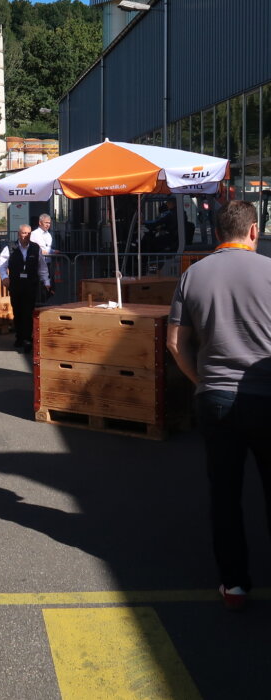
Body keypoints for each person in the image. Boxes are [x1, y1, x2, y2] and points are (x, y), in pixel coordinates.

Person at [167, 200, 271, 611]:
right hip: (266, 396)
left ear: (216, 233)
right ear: (253, 231)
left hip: (215, 398)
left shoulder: (193, 274)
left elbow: (175, 343)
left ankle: (235, 585)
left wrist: (202, 382)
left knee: (225, 494)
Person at [0, 224, 51, 351]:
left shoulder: (35, 248)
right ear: (18, 234)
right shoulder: (9, 248)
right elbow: (1, 265)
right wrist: (4, 277)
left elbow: (42, 267)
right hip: (16, 284)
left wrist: (46, 281)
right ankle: (19, 337)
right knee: (17, 311)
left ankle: (27, 338)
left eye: (28, 233)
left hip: (30, 284)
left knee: (28, 311)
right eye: (23, 233)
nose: (26, 236)